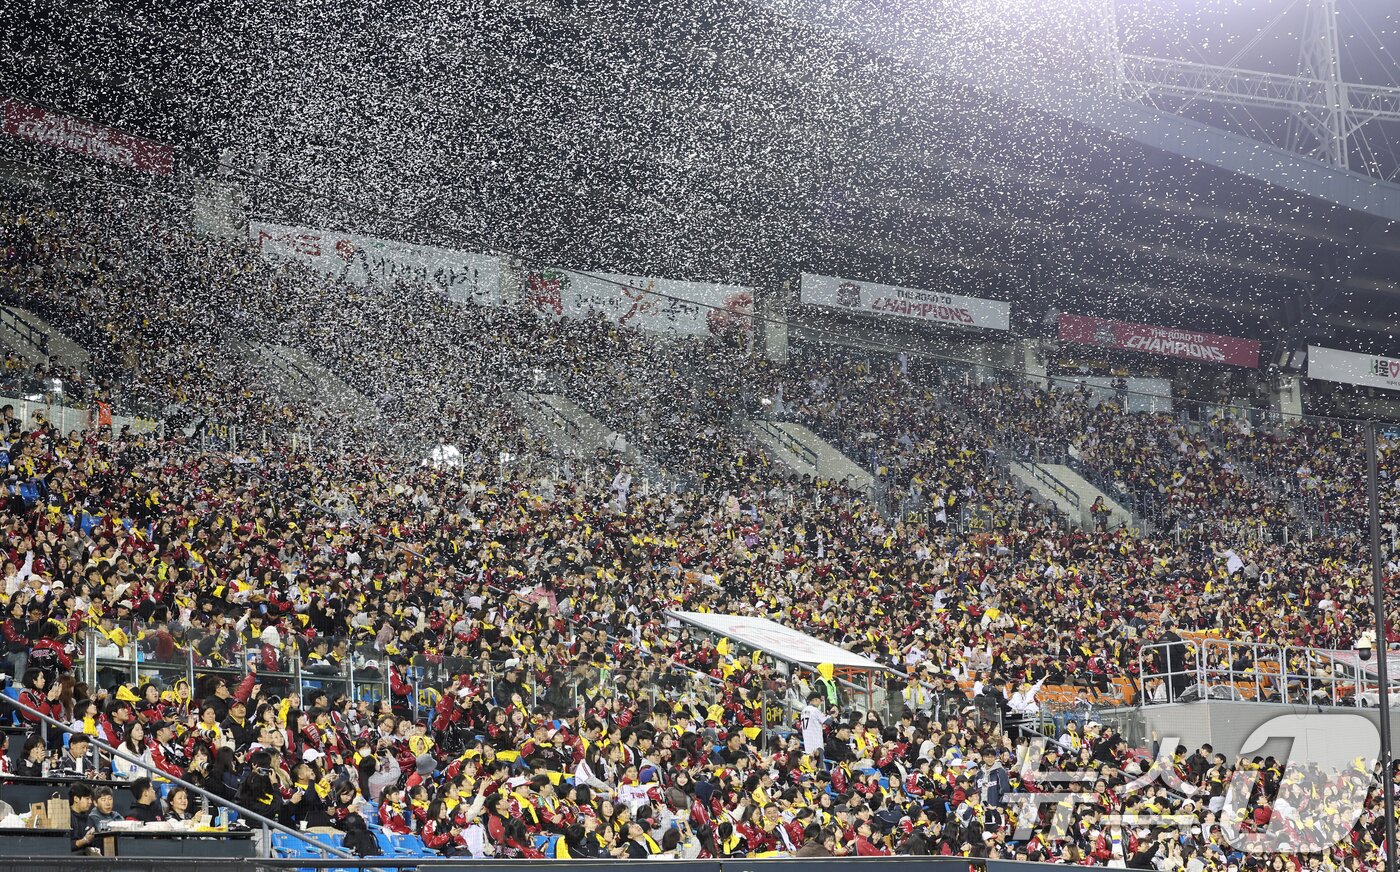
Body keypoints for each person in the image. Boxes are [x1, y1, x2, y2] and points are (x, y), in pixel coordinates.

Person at [69, 784, 98, 855]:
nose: (90, 802)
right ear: (76, 798)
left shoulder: (90, 819)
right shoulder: (65, 817)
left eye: (90, 799)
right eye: (87, 798)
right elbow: (62, 845)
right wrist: (84, 840)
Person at [799, 693, 828, 760]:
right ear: (815, 699)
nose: (820, 703)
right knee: (818, 764)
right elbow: (827, 721)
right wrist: (832, 716)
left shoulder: (803, 710)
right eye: (819, 700)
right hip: (816, 744)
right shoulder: (815, 710)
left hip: (808, 744)